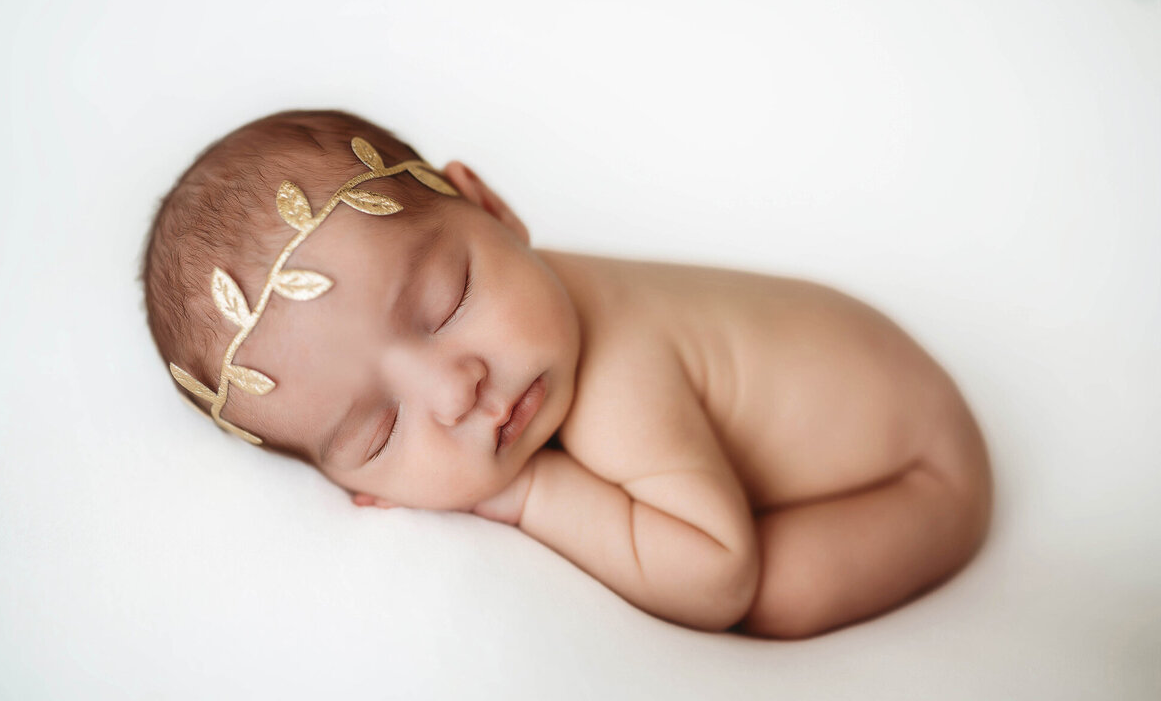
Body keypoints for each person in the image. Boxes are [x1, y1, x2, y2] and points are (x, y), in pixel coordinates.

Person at [140, 109, 993, 639]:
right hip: (870, 382)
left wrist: (528, 494)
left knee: (769, 597)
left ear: (493, 208)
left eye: (446, 302)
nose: (455, 390)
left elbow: (715, 576)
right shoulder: (536, 309)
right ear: (355, 487)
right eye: (378, 429)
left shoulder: (622, 380)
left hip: (922, 469)